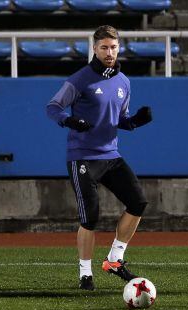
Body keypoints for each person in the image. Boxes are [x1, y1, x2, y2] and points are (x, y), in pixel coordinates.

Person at [46, 25, 152, 291]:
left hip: (110, 155)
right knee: (90, 216)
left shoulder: (124, 82)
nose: (109, 52)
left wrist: (136, 121)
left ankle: (115, 259)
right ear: (94, 48)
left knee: (138, 201)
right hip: (82, 156)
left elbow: (121, 121)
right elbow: (53, 107)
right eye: (104, 47)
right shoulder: (80, 79)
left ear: (119, 48)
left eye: (113, 47)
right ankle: (85, 274)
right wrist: (68, 119)